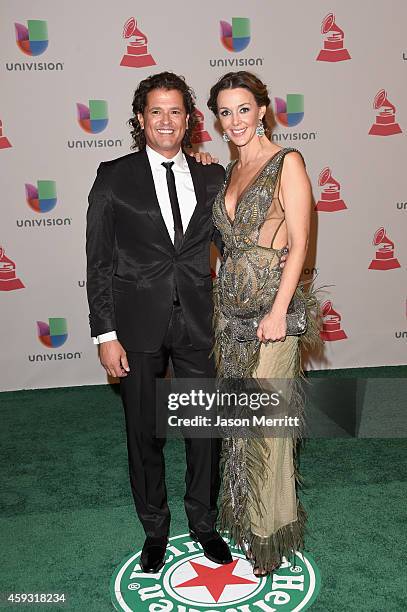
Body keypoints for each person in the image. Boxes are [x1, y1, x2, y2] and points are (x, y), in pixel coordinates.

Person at [86, 72, 233, 573]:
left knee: (204, 429)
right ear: (140, 119)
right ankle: (155, 528)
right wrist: (106, 335)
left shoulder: (213, 175)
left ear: (190, 119)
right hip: (136, 325)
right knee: (144, 432)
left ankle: (203, 522)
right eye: (156, 112)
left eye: (176, 111)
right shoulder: (113, 176)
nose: (166, 121)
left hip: (199, 321)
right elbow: (98, 262)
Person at [207, 71, 322, 576]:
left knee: (270, 430)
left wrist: (279, 311)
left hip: (271, 319)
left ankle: (270, 536)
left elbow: (298, 242)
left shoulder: (286, 162)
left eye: (243, 109)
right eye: (225, 112)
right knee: (240, 426)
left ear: (262, 110)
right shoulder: (233, 167)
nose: (235, 120)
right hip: (230, 316)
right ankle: (246, 518)